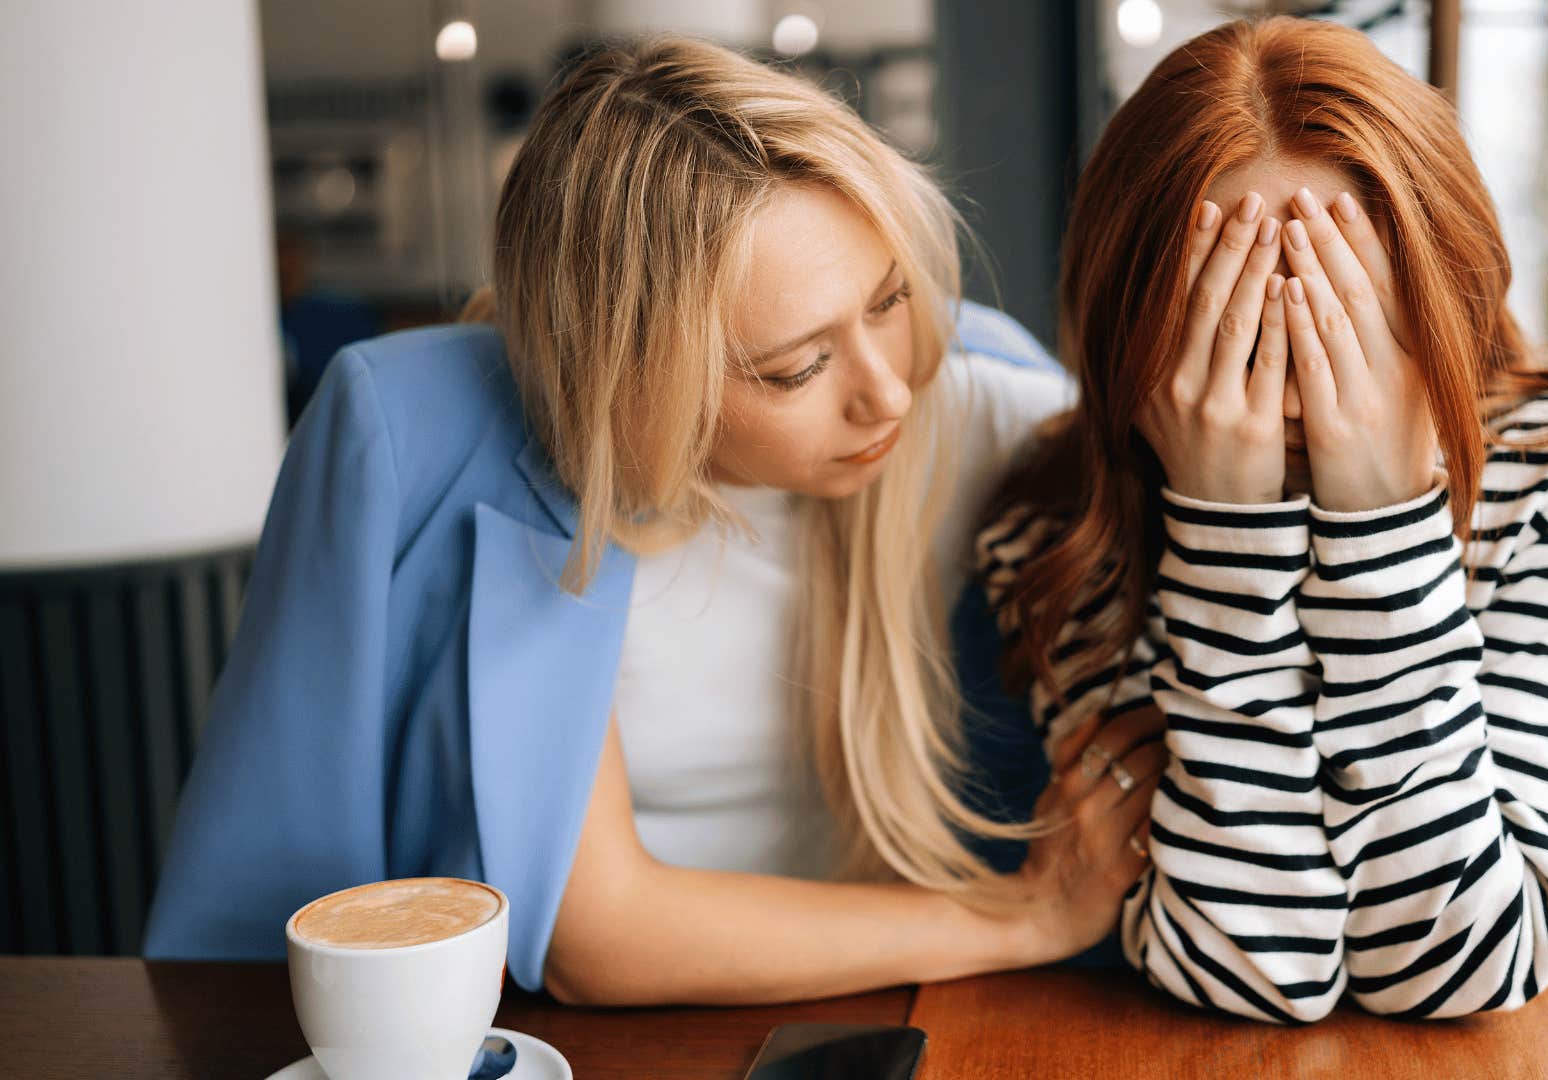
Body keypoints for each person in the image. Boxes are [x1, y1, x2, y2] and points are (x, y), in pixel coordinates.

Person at [143, 36, 1160, 1005]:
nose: (887, 391)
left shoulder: (976, 400)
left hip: (921, 1014)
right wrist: (1019, 923)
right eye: (796, 366)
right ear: (638, 383)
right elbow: (597, 932)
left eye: (889, 298)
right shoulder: (417, 431)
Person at [978, 16, 1548, 1023]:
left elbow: (1466, 973)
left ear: (1444, 285)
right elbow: (1254, 970)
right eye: (1233, 316)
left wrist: (1383, 522)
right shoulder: (1061, 535)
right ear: (1131, 316)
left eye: (1344, 306)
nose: (1300, 376)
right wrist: (1225, 536)